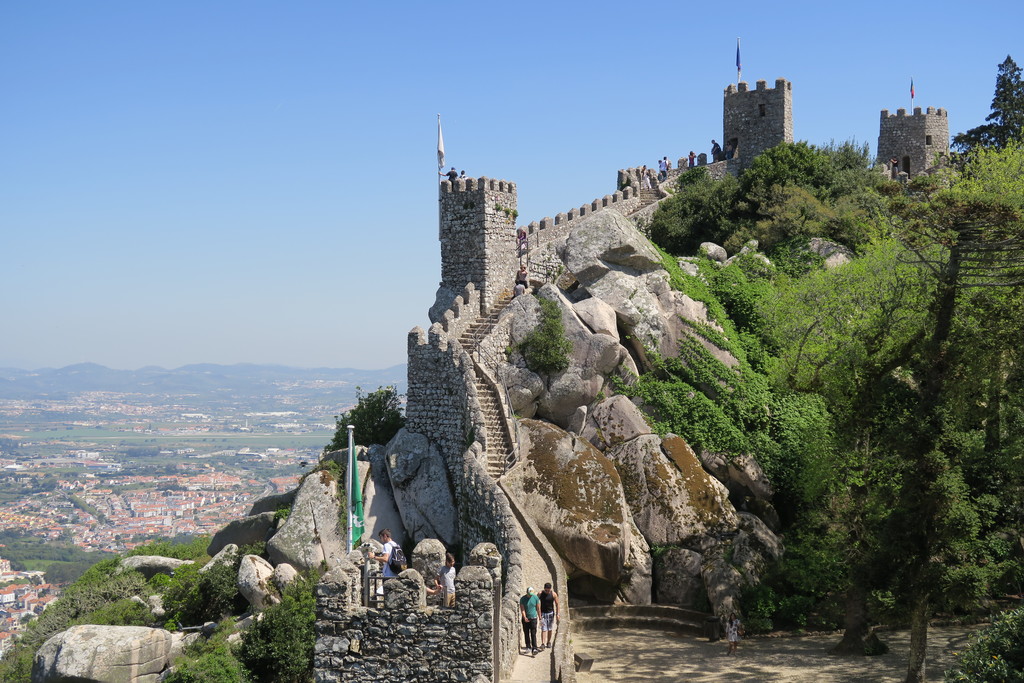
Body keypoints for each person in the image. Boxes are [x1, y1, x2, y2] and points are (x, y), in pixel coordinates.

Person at [520, 586, 540, 655]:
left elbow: (538, 608)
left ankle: (534, 648)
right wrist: (524, 617)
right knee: (526, 633)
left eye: (531, 594)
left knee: (533, 633)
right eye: (529, 594)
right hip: (526, 618)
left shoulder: (536, 598)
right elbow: (522, 609)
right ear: (527, 593)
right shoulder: (523, 599)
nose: (530, 596)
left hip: (533, 618)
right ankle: (528, 646)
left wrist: (540, 617)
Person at [538, 582, 559, 649]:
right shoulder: (540, 594)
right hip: (543, 614)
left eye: (548, 590)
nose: (547, 591)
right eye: (546, 590)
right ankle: (543, 643)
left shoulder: (553, 594)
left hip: (550, 613)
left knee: (549, 629)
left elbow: (557, 604)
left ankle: (548, 642)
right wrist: (538, 614)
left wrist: (557, 614)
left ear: (550, 589)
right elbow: (536, 602)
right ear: (544, 588)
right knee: (543, 629)